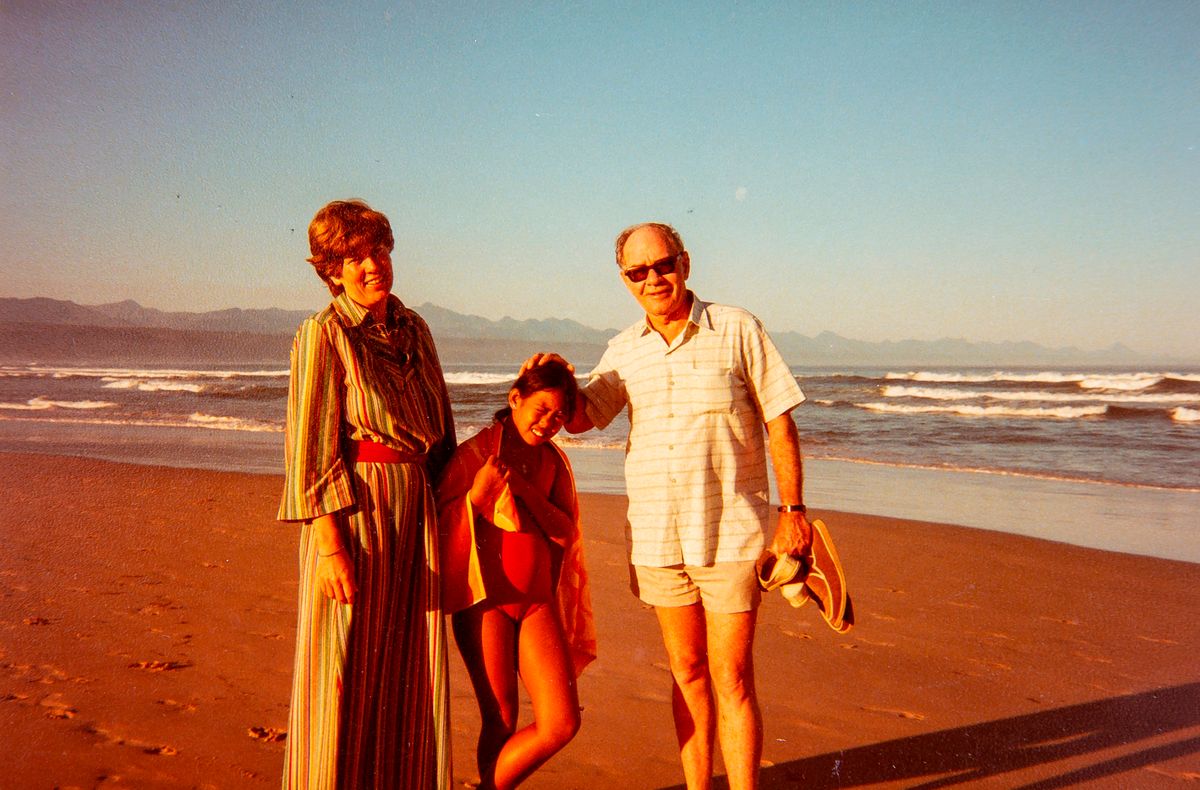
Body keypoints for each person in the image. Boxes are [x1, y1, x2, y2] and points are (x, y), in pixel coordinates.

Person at [526, 222, 810, 790]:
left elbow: (780, 421)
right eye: (638, 271)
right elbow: (583, 417)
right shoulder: (624, 349)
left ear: (685, 262)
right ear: (624, 279)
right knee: (687, 672)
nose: (653, 279)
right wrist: (554, 378)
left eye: (663, 265)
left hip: (733, 534)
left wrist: (794, 513)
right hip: (658, 538)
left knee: (731, 678)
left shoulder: (738, 328)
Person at [277, 199, 456, 789]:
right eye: (353, 257)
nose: (370, 264)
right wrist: (327, 544)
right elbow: (310, 448)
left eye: (377, 250)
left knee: (410, 669)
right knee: (344, 666)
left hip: (417, 511)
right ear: (331, 269)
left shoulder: (416, 328)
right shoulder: (323, 333)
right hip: (356, 516)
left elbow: (442, 434)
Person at [436, 360, 596, 790]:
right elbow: (435, 523)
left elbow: (564, 530)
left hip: (536, 602)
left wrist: (523, 490)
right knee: (501, 719)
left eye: (560, 415)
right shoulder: (476, 452)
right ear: (515, 399)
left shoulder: (554, 463)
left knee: (561, 722)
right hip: (485, 603)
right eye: (541, 409)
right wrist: (477, 494)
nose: (548, 422)